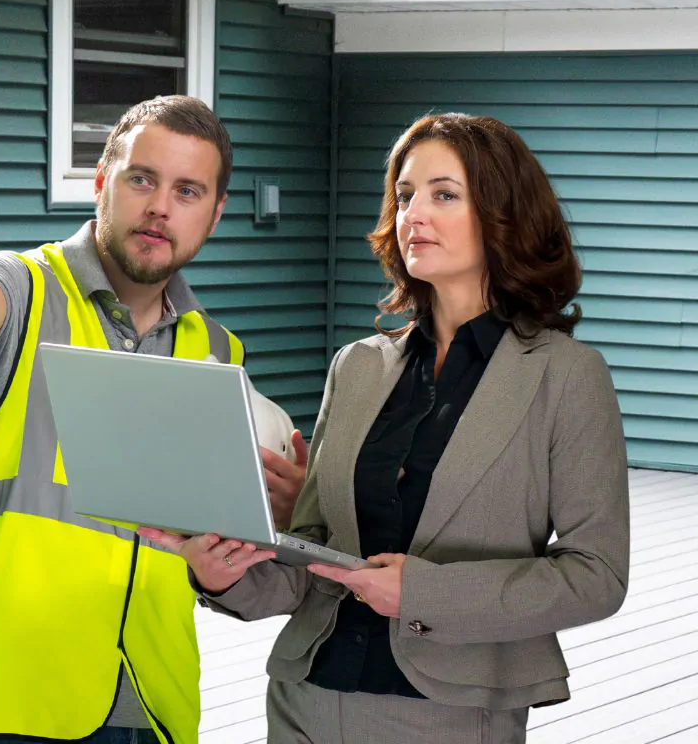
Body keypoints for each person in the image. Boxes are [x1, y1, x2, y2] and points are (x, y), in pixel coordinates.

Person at [142, 112, 631, 743]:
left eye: (443, 195)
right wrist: (219, 575)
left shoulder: (566, 376)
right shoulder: (359, 367)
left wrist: (424, 592)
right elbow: (313, 552)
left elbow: (597, 576)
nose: (413, 215)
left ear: (504, 214)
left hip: (450, 711)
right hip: (305, 696)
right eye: (404, 196)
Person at [0, 95, 307, 744]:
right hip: (23, 708)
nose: (160, 206)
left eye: (187, 191)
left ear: (214, 215)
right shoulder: (24, 290)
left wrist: (234, 547)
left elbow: (197, 539)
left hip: (158, 705)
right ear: (102, 181)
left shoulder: (216, 352)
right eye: (142, 179)